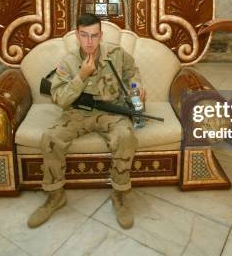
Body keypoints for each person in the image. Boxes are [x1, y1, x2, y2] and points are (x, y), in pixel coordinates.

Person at [27, 13, 146, 229]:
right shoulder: (69, 62)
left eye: (94, 36)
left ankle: (119, 196)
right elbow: (61, 99)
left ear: (101, 35)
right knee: (50, 138)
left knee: (126, 136)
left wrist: (135, 89)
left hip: (111, 111)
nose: (89, 42)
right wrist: (81, 76)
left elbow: (132, 71)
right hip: (77, 113)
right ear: (77, 36)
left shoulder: (116, 54)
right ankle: (55, 196)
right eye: (84, 36)